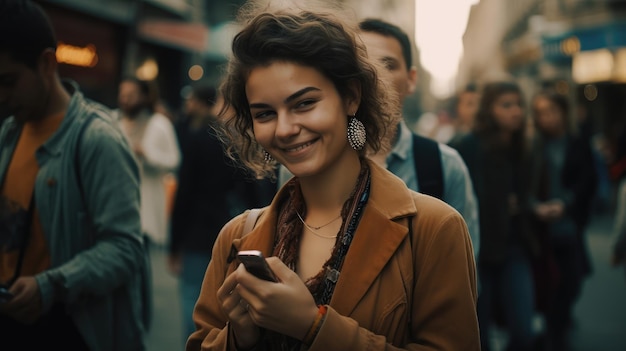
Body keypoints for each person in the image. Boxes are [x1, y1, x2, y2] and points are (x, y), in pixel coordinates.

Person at [186, 2, 479, 350]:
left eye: (304, 103)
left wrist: (312, 326)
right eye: (265, 113)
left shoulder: (435, 229)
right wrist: (239, 338)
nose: (285, 128)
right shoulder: (237, 237)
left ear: (351, 97)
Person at [0, 0, 148, 350]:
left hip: (71, 328)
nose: (1, 97)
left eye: (8, 81)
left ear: (46, 63)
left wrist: (51, 285)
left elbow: (126, 249)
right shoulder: (10, 131)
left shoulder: (97, 140)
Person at [357, 18, 480, 261]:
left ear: (411, 79)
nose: (374, 75)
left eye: (387, 65)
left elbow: (463, 271)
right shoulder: (315, 164)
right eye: (362, 64)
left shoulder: (445, 165)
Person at [168, 83, 274, 342]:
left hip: (197, 230)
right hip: (234, 230)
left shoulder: (199, 137)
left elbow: (185, 194)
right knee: (226, 300)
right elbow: (254, 196)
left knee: (192, 296)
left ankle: (197, 344)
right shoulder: (241, 141)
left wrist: (174, 244)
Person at [452, 81, 540, 351]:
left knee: (524, 331)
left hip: (514, 246)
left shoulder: (524, 146)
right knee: (479, 336)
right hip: (478, 253)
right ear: (489, 110)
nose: (516, 112)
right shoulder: (468, 147)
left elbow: (528, 193)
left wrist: (527, 207)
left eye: (518, 105)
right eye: (506, 105)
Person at [529, 89, 597, 351]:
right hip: (540, 228)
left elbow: (587, 181)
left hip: (568, 225)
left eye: (551, 111)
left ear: (563, 112)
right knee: (547, 282)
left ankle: (559, 324)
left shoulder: (577, 142)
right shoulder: (533, 143)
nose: (546, 118)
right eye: (540, 113)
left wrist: (566, 204)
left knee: (571, 281)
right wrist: (534, 207)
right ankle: (552, 331)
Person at [115, 76, 181, 247]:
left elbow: (174, 160)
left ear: (144, 96)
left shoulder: (160, 124)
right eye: (123, 94)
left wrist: (147, 154)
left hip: (145, 209)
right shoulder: (114, 121)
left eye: (131, 94)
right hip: (116, 207)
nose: (126, 99)